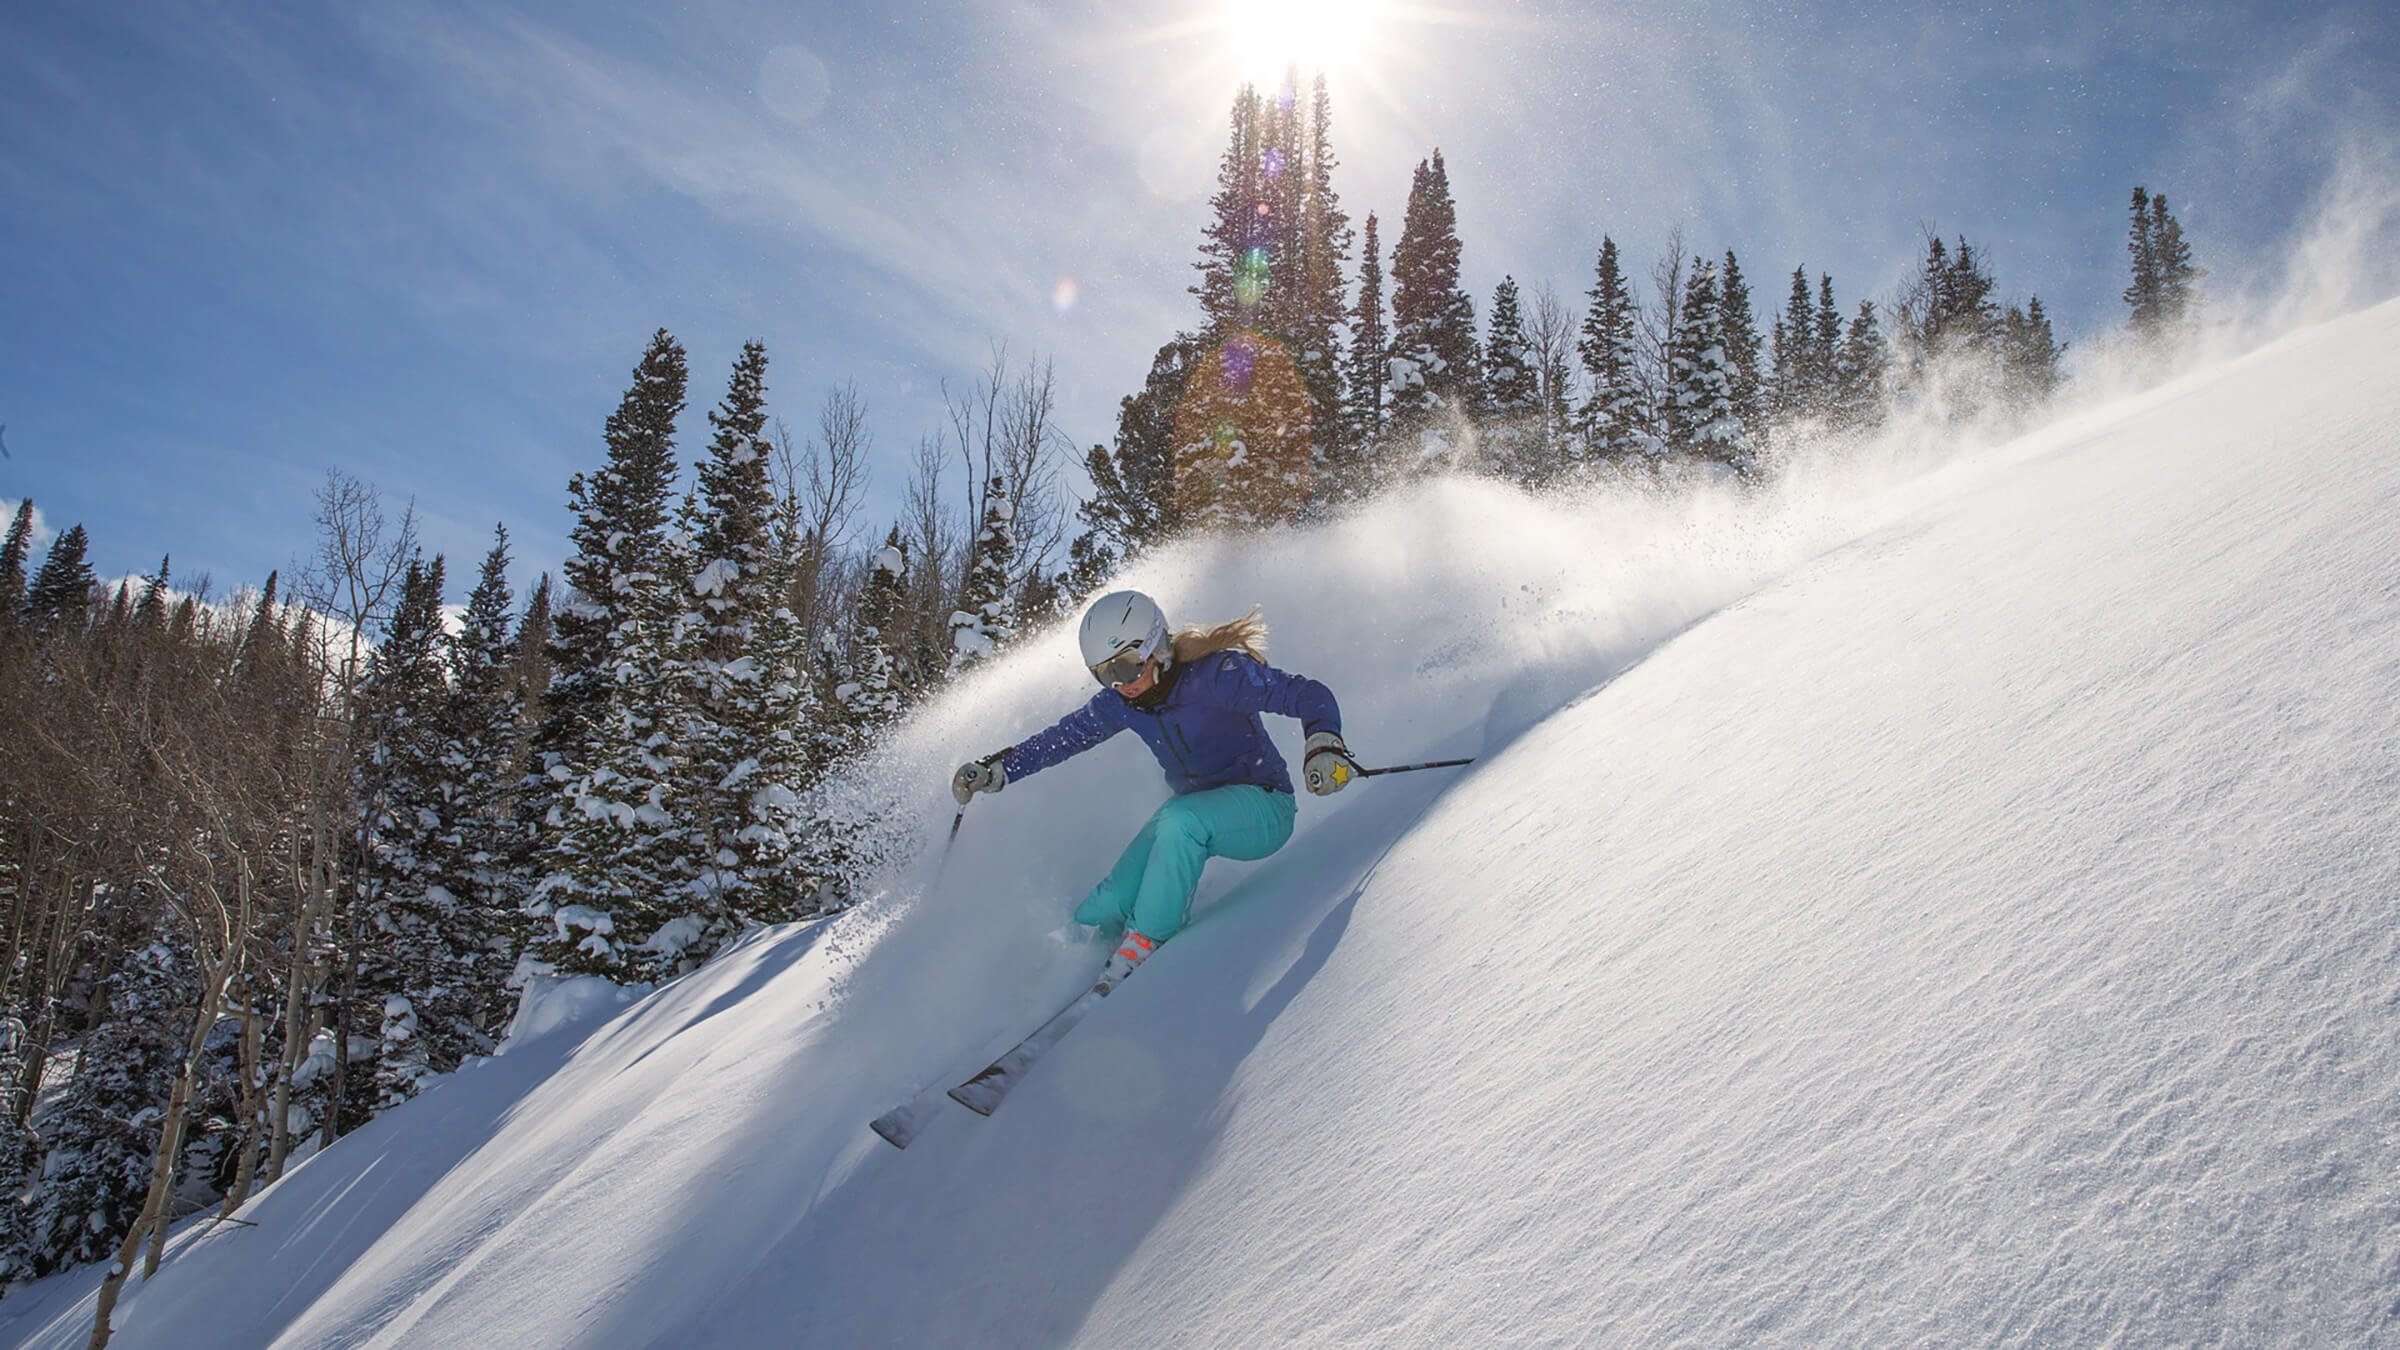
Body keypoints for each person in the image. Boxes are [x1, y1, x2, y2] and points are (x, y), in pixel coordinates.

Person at [951, 590, 1357, 991]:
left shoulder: (1217, 676)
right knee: (1108, 903)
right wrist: (997, 770)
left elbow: (1308, 694)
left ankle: (1145, 942)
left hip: (1265, 806)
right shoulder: (1123, 703)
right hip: (1193, 810)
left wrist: (1323, 743)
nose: (1121, 684)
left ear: (1156, 646)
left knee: (1181, 821)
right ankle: (1072, 962)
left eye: (1127, 666)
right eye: (1105, 674)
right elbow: (1064, 738)